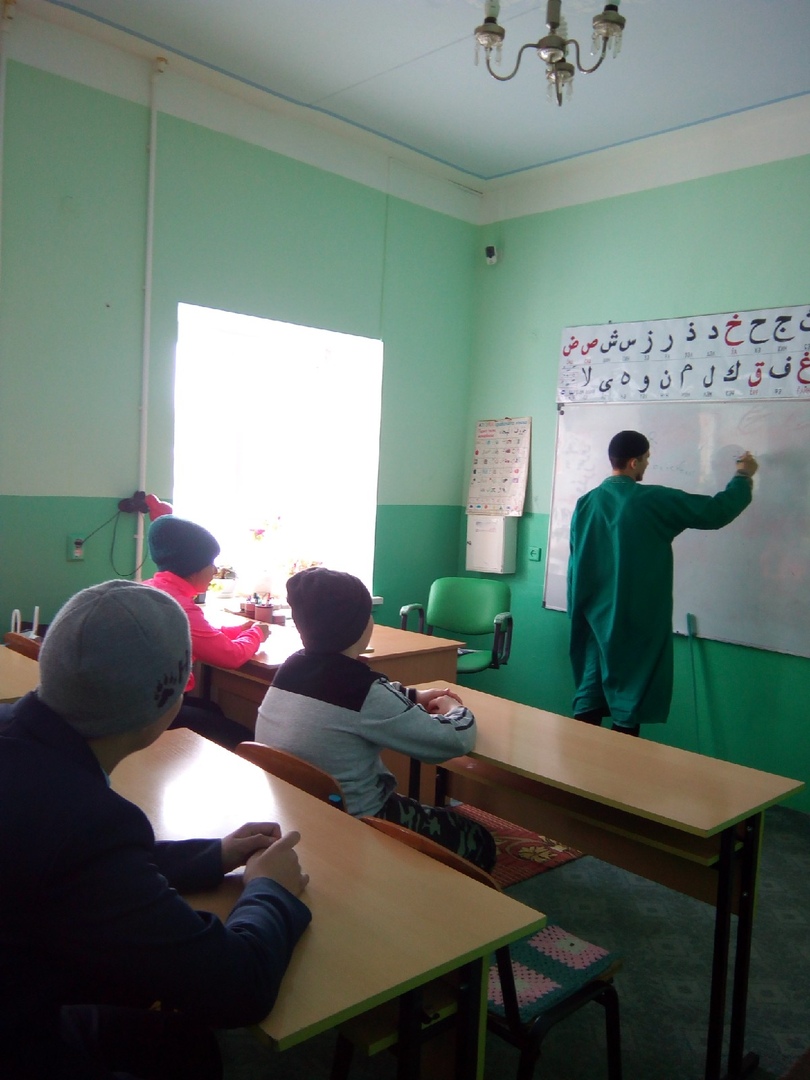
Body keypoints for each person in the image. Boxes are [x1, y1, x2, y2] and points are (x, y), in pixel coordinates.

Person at [0, 579, 310, 1080]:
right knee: (188, 1045)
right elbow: (238, 988)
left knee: (179, 1042)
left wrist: (214, 854)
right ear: (167, 698)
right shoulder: (87, 824)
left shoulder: (16, 737)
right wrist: (269, 889)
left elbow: (67, 863)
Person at [255, 566, 497, 872]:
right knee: (479, 839)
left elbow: (352, 701)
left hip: (298, 808)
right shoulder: (364, 691)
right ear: (360, 626)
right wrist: (454, 708)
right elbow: (452, 741)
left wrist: (412, 695)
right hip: (357, 820)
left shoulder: (292, 668)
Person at [567, 430, 758, 736]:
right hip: (636, 621)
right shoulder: (652, 500)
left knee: (590, 696)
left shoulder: (586, 503)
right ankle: (618, 765)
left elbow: (575, 565)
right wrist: (743, 476)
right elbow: (716, 512)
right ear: (633, 462)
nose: (647, 465)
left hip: (593, 620)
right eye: (646, 459)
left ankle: (577, 764)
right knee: (629, 703)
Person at [144, 514, 270, 749]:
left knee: (212, 709)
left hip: (148, 702)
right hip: (156, 713)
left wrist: (238, 630)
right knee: (242, 738)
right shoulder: (180, 607)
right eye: (211, 563)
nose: (215, 570)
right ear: (193, 569)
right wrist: (257, 634)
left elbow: (201, 635)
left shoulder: (153, 589)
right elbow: (231, 656)